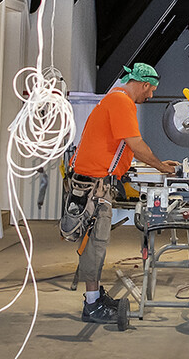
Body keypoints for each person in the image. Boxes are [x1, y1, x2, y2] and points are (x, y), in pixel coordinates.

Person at [66, 62, 179, 323]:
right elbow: (136, 144)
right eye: (150, 90)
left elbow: (119, 147)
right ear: (142, 84)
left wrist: (138, 166)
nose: (150, 96)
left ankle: (95, 297)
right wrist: (161, 167)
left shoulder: (115, 100)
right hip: (94, 187)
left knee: (96, 243)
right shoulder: (121, 102)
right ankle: (92, 305)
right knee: (94, 244)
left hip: (96, 182)